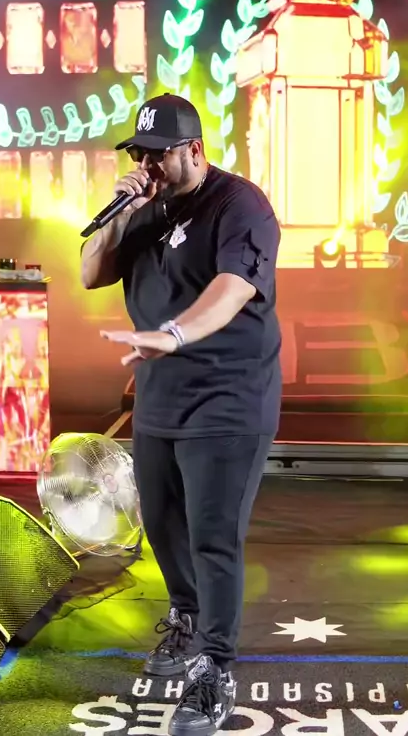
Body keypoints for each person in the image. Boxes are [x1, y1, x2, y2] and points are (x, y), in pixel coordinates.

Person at [81, 93, 281, 736]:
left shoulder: (239, 204)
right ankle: (187, 618)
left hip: (229, 395)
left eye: (158, 155)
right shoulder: (144, 207)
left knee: (211, 535)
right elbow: (90, 272)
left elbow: (233, 288)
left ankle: (215, 668)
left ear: (194, 150)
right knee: (164, 526)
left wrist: (173, 333)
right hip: (161, 398)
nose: (147, 166)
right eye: (138, 155)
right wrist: (119, 214)